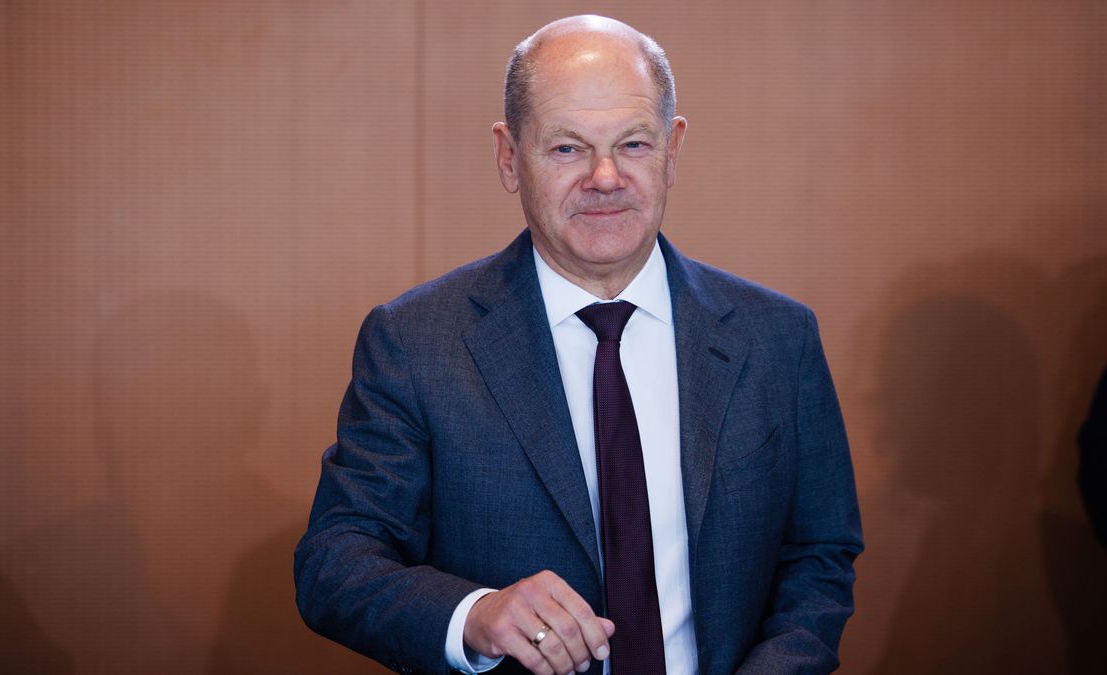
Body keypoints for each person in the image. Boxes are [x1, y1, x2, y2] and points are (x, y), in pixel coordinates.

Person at [295, 15, 862, 675]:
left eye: (633, 145)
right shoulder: (416, 342)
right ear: (510, 157)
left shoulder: (778, 338)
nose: (604, 176)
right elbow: (336, 562)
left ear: (673, 149)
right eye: (566, 148)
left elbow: (819, 555)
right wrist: (476, 614)